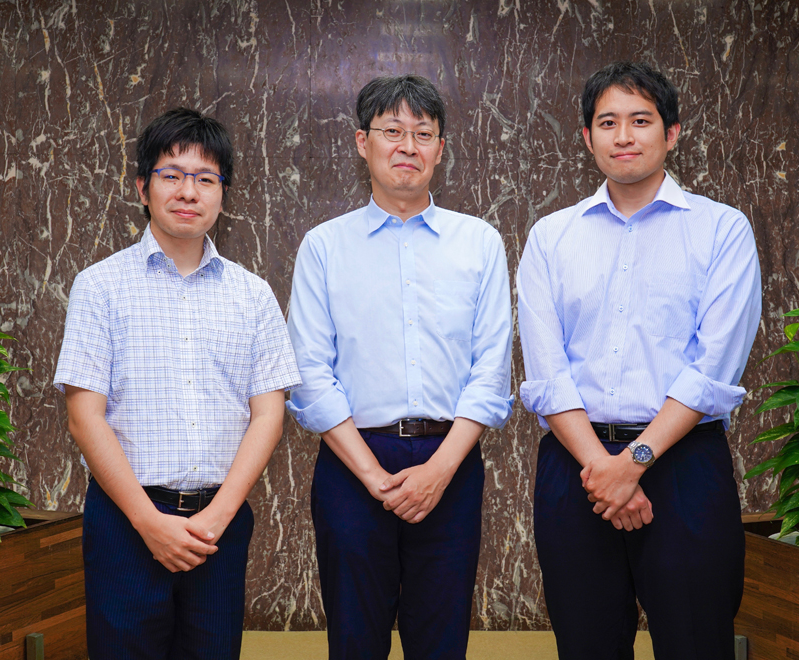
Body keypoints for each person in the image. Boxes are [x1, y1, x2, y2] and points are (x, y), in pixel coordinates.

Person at [517, 61, 762, 660]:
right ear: (587, 137)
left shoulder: (722, 231)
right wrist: (607, 469)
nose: (624, 136)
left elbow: (714, 368)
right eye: (608, 122)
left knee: (697, 643)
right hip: (578, 471)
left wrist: (635, 463)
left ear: (671, 133)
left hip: (685, 468)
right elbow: (548, 374)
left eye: (640, 120)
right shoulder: (551, 237)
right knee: (587, 644)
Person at [53, 107, 301, 660]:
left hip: (221, 524)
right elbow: (83, 416)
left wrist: (218, 516)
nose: (189, 191)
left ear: (223, 193)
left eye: (206, 179)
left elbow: (270, 413)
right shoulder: (99, 287)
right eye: (172, 175)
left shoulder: (253, 294)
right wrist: (149, 521)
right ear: (143, 186)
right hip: (124, 523)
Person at [286, 74, 513, 660]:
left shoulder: (479, 242)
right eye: (392, 131)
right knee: (355, 642)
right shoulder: (323, 246)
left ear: (441, 147)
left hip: (451, 461)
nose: (407, 146)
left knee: (441, 641)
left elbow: (490, 372)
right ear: (363, 142)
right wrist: (369, 475)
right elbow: (310, 371)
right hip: (352, 463)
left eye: (423, 133)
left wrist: (439, 470)